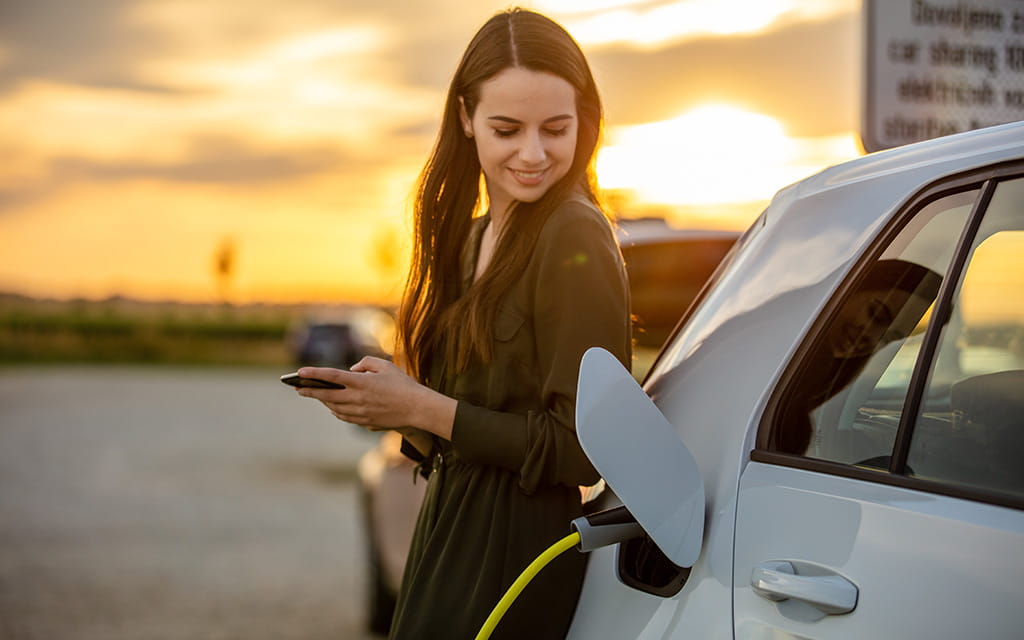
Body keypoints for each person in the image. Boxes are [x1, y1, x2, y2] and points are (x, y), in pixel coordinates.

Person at [293, 8, 631, 639]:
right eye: (507, 129)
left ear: (582, 124)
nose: (533, 154)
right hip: (447, 528)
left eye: (555, 129)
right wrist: (391, 406)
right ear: (465, 118)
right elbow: (465, 417)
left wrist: (424, 409)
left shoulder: (572, 233)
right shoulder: (470, 239)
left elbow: (582, 452)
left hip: (516, 555)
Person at [773, 259, 942, 455]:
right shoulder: (760, 374)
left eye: (888, 338)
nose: (870, 337)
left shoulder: (795, 402)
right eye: (877, 314)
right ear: (848, 289)